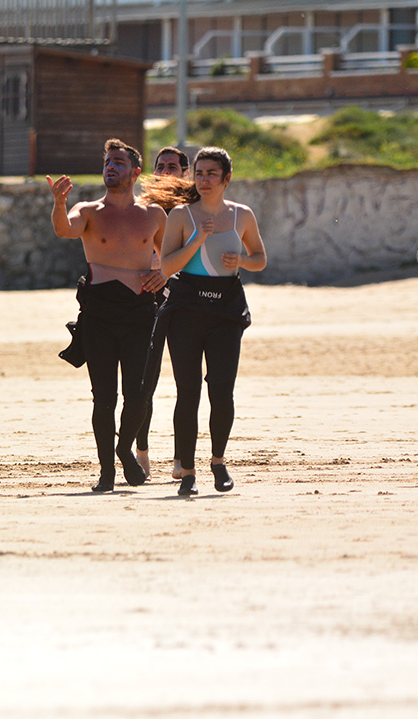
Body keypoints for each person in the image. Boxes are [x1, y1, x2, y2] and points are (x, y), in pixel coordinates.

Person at [48, 139, 168, 493]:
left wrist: (164, 275)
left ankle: (123, 449)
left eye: (118, 162)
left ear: (135, 172)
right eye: (107, 162)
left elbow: (171, 256)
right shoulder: (87, 211)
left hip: (140, 311)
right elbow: (62, 229)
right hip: (99, 313)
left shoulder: (153, 215)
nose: (110, 167)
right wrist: (58, 202)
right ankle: (106, 471)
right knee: (104, 397)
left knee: (139, 394)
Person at [156, 146, 267, 496]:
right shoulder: (180, 216)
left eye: (211, 174)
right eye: (199, 173)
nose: (203, 180)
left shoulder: (242, 215)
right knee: (187, 393)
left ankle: (218, 462)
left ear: (226, 179)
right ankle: (187, 471)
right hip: (186, 308)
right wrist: (198, 239)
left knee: (222, 390)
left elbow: (260, 259)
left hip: (226, 310)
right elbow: (167, 267)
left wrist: (244, 262)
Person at [139, 145, 192, 481]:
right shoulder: (142, 208)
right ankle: (142, 453)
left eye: (173, 166)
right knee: (146, 381)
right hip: (150, 297)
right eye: (161, 166)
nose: (166, 172)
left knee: (187, 383)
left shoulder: (193, 209)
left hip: (187, 297)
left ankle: (180, 457)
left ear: (185, 172)